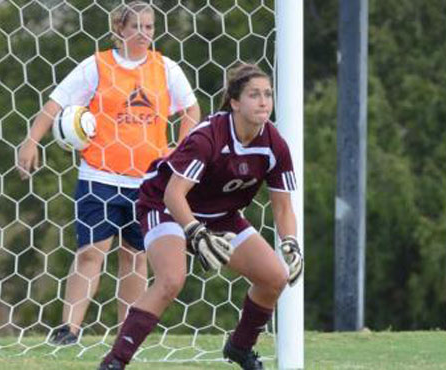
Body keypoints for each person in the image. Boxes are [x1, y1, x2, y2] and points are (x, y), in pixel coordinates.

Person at [16, 1, 200, 345]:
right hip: (99, 178)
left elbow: (191, 108)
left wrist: (181, 147)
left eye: (149, 27)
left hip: (147, 183)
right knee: (90, 253)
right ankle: (69, 329)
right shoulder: (97, 66)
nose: (144, 34)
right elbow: (54, 104)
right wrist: (30, 141)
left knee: (135, 257)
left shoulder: (166, 69)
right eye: (137, 27)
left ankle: (126, 336)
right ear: (119, 29)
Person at [98, 63, 302, 370]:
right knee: (171, 280)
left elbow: (283, 207)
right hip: (164, 205)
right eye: (254, 94)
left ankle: (239, 347)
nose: (263, 101)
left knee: (274, 278)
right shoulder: (209, 136)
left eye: (268, 94)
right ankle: (114, 362)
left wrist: (290, 242)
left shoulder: (274, 144)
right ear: (234, 102)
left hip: (220, 216)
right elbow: (173, 194)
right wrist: (195, 232)